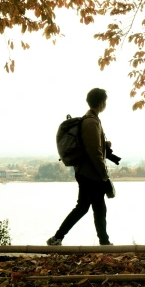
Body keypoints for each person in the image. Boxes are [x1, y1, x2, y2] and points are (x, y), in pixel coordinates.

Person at [47, 88, 114, 245]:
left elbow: (91, 145)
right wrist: (104, 175)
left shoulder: (92, 119)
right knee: (90, 208)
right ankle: (58, 238)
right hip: (90, 173)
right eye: (105, 100)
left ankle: (102, 242)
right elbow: (94, 152)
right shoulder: (91, 122)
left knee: (92, 208)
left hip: (87, 172)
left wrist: (104, 144)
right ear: (102, 102)